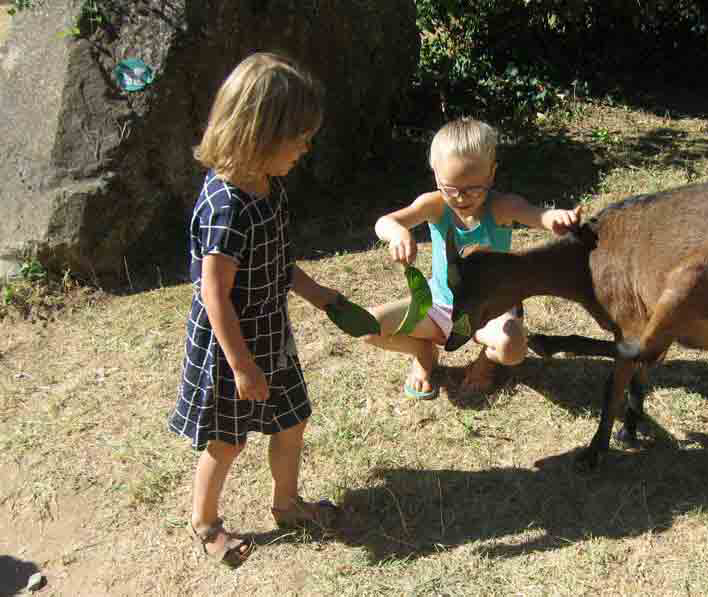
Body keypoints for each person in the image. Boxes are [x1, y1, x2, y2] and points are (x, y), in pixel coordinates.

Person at [168, 52, 341, 569]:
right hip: (231, 348)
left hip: (271, 333)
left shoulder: (270, 185)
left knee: (292, 420)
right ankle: (205, 524)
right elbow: (214, 296)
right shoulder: (226, 207)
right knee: (227, 442)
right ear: (261, 134)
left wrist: (320, 295)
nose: (306, 148)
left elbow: (280, 261)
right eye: (299, 138)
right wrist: (242, 366)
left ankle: (287, 505)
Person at [366, 117, 581, 400]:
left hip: (490, 310)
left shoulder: (501, 207)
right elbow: (384, 222)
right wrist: (397, 233)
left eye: (473, 188)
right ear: (436, 175)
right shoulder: (433, 204)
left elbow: (534, 213)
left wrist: (554, 218)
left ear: (491, 175)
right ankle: (423, 353)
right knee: (367, 326)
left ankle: (485, 363)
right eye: (450, 188)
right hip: (439, 306)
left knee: (512, 348)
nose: (461, 197)